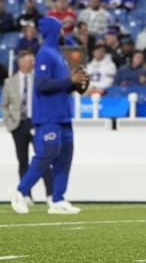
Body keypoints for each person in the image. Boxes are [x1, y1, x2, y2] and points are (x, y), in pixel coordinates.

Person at [9, 17, 88, 214]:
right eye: (61, 29)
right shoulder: (45, 54)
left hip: (63, 115)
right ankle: (20, 191)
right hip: (48, 116)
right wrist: (69, 80)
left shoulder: (59, 55)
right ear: (54, 30)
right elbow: (42, 85)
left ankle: (58, 199)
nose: (64, 33)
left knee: (65, 157)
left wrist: (77, 84)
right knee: (46, 154)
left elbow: (65, 83)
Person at [2, 50, 53, 204]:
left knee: (43, 159)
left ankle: (50, 194)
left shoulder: (38, 80)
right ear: (21, 62)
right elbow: (4, 105)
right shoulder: (10, 82)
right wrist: (11, 124)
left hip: (37, 123)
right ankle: (26, 195)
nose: (33, 63)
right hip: (19, 125)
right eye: (30, 60)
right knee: (22, 161)